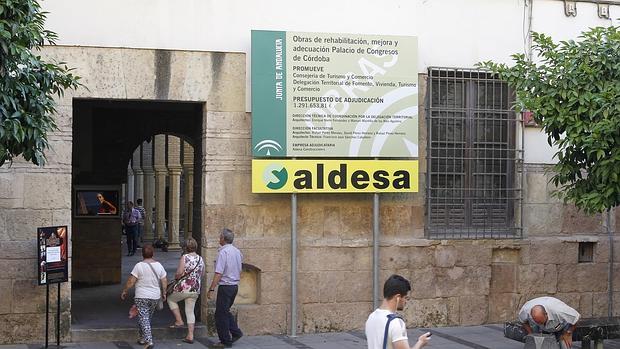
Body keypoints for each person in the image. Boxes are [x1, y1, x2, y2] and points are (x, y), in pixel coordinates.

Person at [365, 275, 431, 349]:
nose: (406, 301)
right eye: (406, 298)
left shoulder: (371, 317)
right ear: (398, 298)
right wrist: (420, 342)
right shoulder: (396, 322)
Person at [121, 244, 167, 349]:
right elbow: (164, 280)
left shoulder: (139, 266)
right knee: (146, 317)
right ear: (153, 253)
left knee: (144, 317)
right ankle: (142, 338)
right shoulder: (159, 265)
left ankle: (149, 341)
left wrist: (125, 290)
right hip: (155, 296)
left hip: (141, 296)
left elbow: (131, 281)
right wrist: (164, 293)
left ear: (142, 254)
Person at [207, 228, 243, 348]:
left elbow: (219, 273)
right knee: (225, 311)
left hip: (226, 286)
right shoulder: (237, 251)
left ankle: (224, 341)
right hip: (234, 286)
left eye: (220, 236)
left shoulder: (223, 252)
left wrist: (211, 288)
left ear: (223, 238)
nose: (219, 238)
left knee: (220, 314)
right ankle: (236, 332)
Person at [167, 237, 205, 344]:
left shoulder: (185, 257)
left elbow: (179, 272)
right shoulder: (200, 259)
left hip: (184, 288)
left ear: (186, 247)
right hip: (195, 289)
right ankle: (190, 335)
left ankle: (179, 320)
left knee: (170, 299)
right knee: (190, 311)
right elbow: (202, 273)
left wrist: (176, 276)